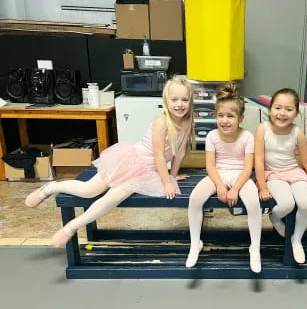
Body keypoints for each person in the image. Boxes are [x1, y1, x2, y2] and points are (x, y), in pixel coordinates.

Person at [25, 76, 195, 247]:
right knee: (89, 190)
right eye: (174, 99)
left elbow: (179, 152)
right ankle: (50, 188)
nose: (179, 104)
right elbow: (159, 155)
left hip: (147, 172)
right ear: (166, 100)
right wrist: (167, 183)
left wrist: (172, 176)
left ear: (190, 101)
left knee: (115, 196)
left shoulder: (187, 121)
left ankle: (71, 227)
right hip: (132, 161)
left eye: (184, 100)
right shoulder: (161, 122)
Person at [186, 82, 262, 273]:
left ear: (241, 118)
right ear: (215, 116)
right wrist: (220, 185)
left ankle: (255, 248)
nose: (225, 120)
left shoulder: (247, 137)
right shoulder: (212, 136)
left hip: (240, 175)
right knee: (195, 199)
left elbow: (247, 168)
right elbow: (210, 165)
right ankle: (195, 243)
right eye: (220, 115)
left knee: (253, 203)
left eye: (230, 116)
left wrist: (235, 188)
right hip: (217, 174)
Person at [255, 88, 307, 264]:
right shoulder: (263, 129)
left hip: (294, 172)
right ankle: (274, 217)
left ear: (296, 113)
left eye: (289, 109)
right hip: (273, 174)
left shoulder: (297, 132)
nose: (282, 113)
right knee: (287, 203)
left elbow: (306, 161)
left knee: (306, 203)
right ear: (270, 109)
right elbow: (258, 161)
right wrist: (263, 187)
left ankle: (296, 239)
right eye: (278, 108)